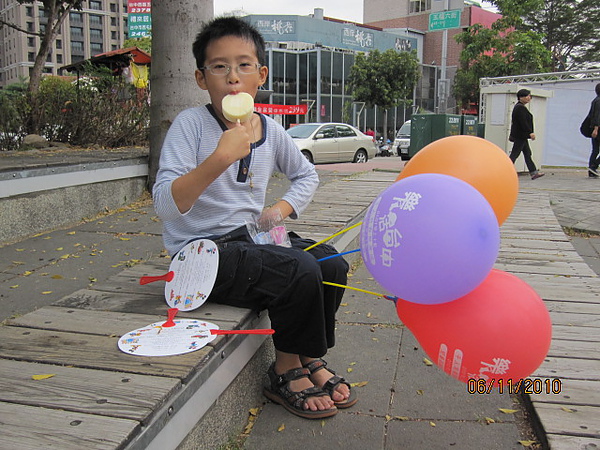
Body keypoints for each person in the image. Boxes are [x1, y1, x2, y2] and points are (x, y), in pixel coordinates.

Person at [152, 16, 356, 420]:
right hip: (202, 253)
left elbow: (306, 173)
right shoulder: (190, 127)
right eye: (219, 66)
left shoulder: (272, 129)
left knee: (331, 261)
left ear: (260, 74)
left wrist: (281, 210)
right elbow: (164, 204)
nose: (232, 77)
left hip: (252, 239)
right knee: (298, 269)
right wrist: (221, 157)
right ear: (200, 77)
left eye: (244, 65)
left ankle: (311, 354)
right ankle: (284, 370)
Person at [509, 89, 544, 180]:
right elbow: (523, 122)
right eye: (527, 96)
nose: (529, 98)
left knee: (527, 153)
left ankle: (533, 172)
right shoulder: (519, 108)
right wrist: (530, 132)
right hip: (520, 135)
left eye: (529, 96)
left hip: (522, 135)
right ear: (521, 97)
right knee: (514, 154)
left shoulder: (520, 107)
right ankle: (504, 170)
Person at [586, 83, 600, 178]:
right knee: (595, 150)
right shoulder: (599, 101)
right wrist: (596, 128)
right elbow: (597, 116)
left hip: (594, 128)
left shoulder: (595, 100)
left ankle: (592, 169)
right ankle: (593, 165)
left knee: (595, 150)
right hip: (598, 128)